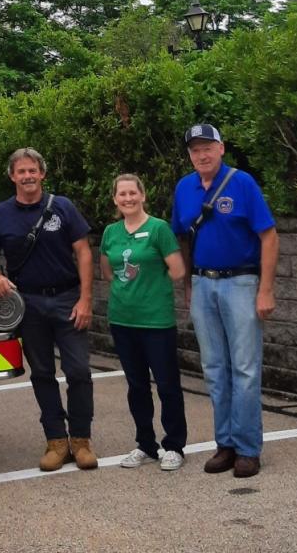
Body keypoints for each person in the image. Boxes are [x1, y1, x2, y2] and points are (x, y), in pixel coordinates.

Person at [0, 147, 97, 473]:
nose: (28, 176)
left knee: (78, 372)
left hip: (67, 299)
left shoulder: (63, 207)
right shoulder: (1, 214)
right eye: (21, 171)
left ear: (42, 174)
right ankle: (56, 441)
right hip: (27, 304)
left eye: (33, 170)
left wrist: (86, 299)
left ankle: (82, 440)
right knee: (42, 373)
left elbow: (84, 253)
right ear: (12, 176)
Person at [172, 123, 279, 479]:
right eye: (195, 150)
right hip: (204, 283)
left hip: (242, 282)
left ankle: (248, 449)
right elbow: (183, 240)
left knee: (246, 368)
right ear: (190, 155)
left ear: (221, 148)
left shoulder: (242, 183)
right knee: (215, 369)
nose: (202, 155)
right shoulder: (184, 188)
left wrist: (265, 288)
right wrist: (188, 284)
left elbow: (269, 236)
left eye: (208, 147)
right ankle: (226, 445)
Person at [99, 173, 188, 472]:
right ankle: (146, 445)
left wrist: (148, 281)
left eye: (132, 193)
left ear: (143, 195)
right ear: (115, 199)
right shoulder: (110, 232)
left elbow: (177, 271)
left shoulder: (158, 229)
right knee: (136, 386)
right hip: (123, 319)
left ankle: (174, 445)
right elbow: (108, 272)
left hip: (156, 321)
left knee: (167, 384)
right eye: (121, 194)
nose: (128, 198)